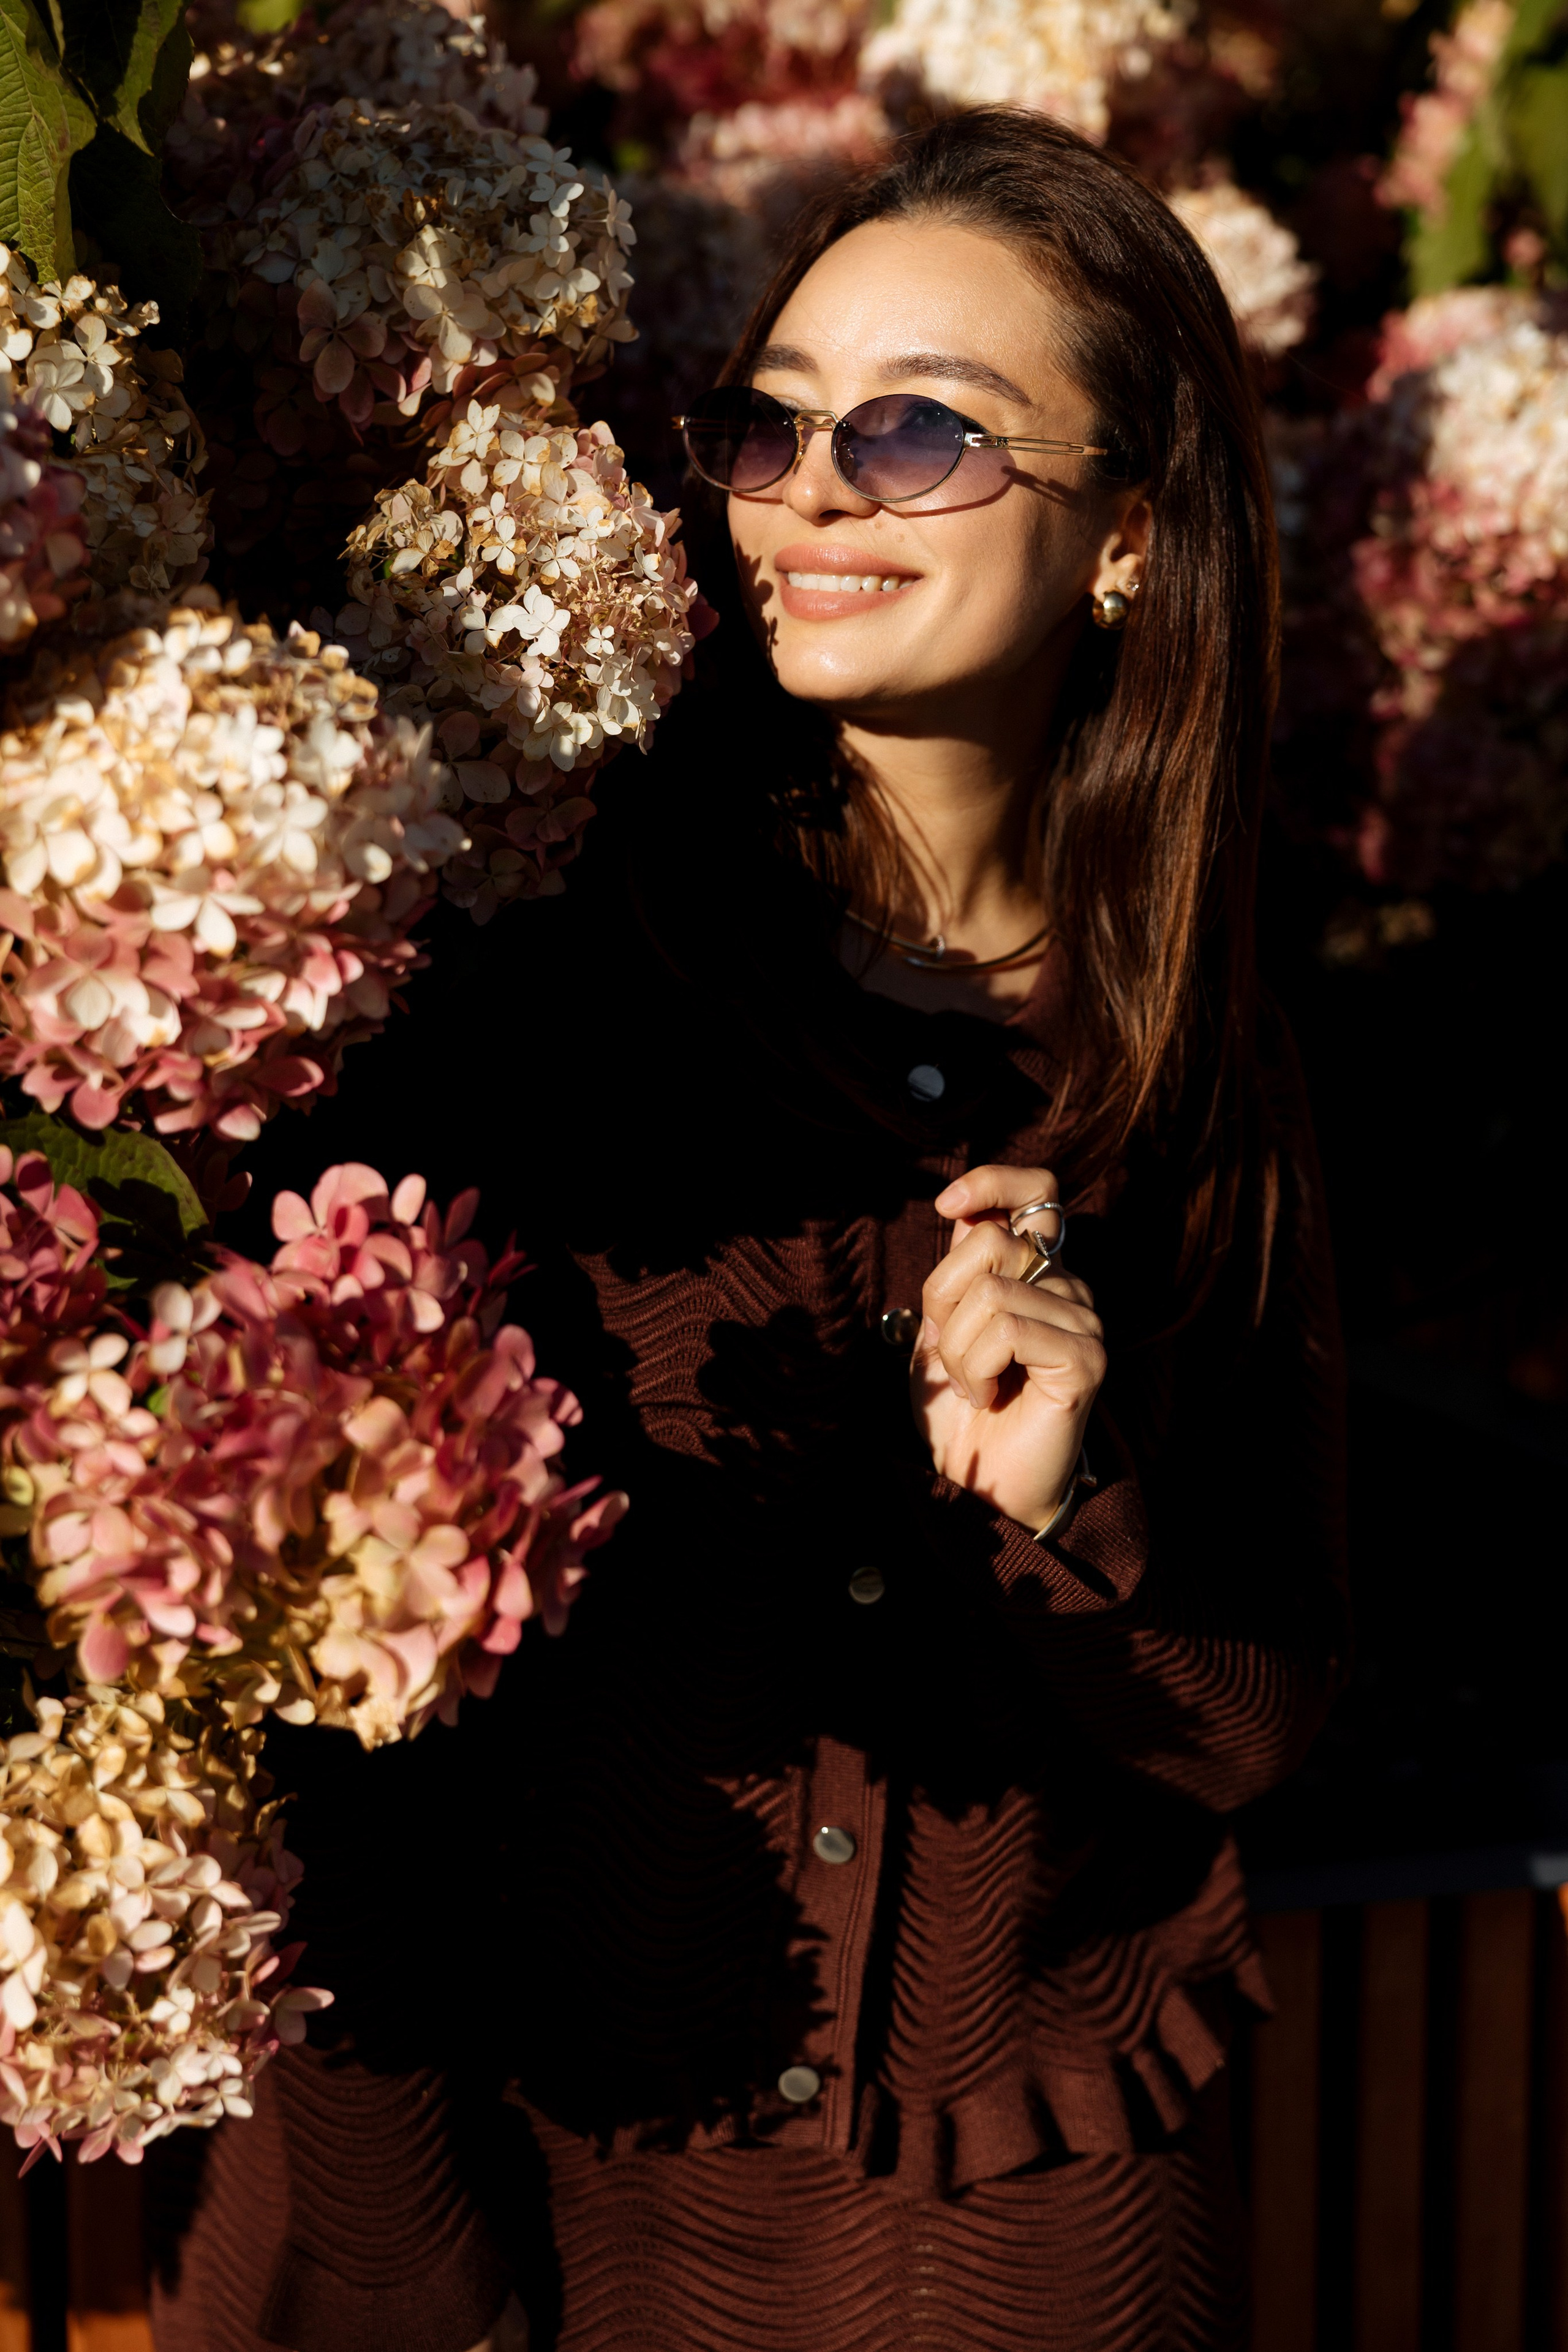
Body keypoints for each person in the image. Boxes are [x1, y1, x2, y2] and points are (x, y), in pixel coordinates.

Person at [149, 105, 1347, 2352]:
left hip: (1015, 2237)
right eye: (772, 422)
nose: (808, 489)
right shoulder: (531, 979)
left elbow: (1250, 1719)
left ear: (1129, 538)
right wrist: (410, 2257)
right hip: (518, 2203)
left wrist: (1074, 1509)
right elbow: (317, 1704)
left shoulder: (1201, 1049)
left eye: (917, 435)